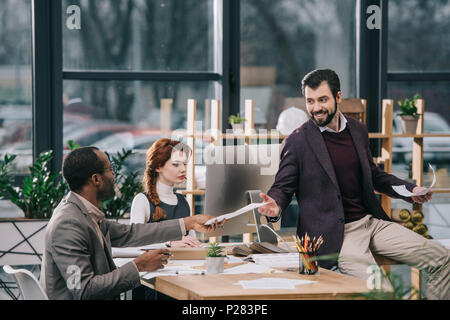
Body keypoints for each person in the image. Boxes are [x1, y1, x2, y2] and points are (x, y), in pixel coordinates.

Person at [258, 69, 450, 299]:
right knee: (383, 293)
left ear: (338, 97)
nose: (316, 107)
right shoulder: (298, 141)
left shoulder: (357, 130)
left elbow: (373, 175)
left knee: (442, 258)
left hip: (370, 223)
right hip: (337, 236)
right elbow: (283, 187)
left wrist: (411, 190)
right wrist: (276, 205)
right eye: (310, 101)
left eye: (322, 99)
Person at [40, 146, 223, 300]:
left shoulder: (85, 213)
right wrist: (139, 266)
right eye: (110, 170)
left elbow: (131, 233)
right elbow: (83, 289)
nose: (114, 175)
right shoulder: (69, 224)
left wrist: (189, 223)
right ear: (96, 179)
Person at [130, 138, 201, 248]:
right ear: (158, 167)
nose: (183, 169)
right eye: (176, 164)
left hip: (185, 264)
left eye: (185, 164)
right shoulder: (142, 200)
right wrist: (169, 244)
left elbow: (193, 241)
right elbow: (134, 242)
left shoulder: (183, 201)